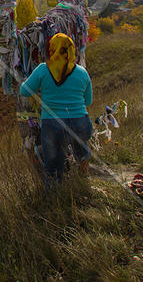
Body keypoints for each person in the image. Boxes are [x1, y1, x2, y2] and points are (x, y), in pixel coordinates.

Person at [19, 32, 93, 185]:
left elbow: (24, 91)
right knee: (81, 148)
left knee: (53, 165)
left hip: (53, 124)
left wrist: (28, 82)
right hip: (80, 122)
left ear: (52, 49)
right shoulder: (82, 72)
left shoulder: (42, 70)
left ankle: (55, 191)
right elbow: (88, 101)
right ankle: (84, 176)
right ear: (72, 49)